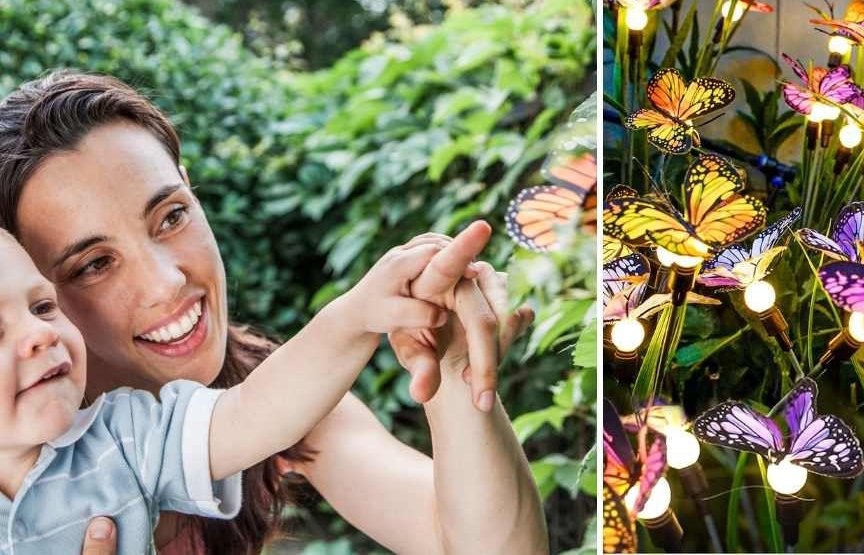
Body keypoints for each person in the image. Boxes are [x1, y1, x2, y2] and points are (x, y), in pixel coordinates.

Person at [0, 71, 548, 554]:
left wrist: (456, 374)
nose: (167, 283)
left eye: (171, 217)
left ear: (193, 193)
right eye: (94, 264)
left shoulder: (281, 392)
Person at [0, 219, 477, 553]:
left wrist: (358, 314)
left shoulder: (123, 440)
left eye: (42, 308)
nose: (41, 334)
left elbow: (253, 411)